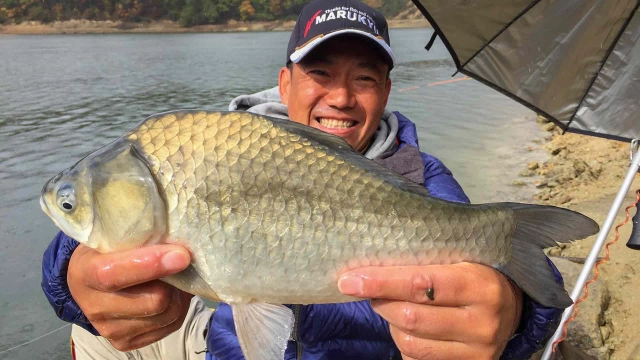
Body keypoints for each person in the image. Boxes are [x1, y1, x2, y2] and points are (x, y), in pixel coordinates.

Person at [42, 1, 565, 359]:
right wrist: (73, 275)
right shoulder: (213, 145)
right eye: (320, 73)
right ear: (284, 81)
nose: (341, 97)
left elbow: (507, 290)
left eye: (363, 78)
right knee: (87, 329)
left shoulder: (420, 176)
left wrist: (514, 314)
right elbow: (86, 261)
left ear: (385, 91)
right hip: (224, 341)